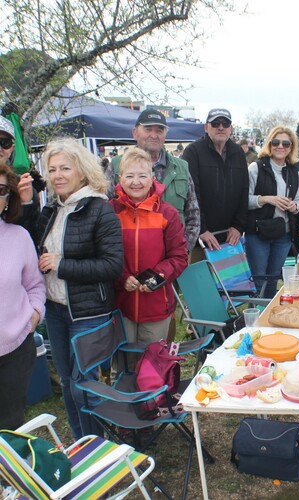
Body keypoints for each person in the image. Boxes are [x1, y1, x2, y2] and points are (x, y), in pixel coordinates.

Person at [36, 137, 123, 439]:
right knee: (68, 382)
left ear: (82, 171)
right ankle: (80, 446)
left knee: (84, 385)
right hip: (56, 310)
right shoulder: (52, 209)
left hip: (89, 314)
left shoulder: (100, 210)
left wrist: (61, 265)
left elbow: (112, 266)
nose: (57, 175)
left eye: (65, 168)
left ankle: (97, 451)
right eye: (52, 169)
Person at [110, 147, 188, 365]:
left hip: (155, 306)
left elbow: (179, 257)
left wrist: (155, 278)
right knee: (123, 364)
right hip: (121, 305)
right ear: (120, 178)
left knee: (153, 363)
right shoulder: (110, 212)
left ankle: (155, 399)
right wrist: (122, 278)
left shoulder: (166, 213)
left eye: (142, 175)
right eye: (130, 175)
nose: (136, 182)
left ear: (152, 178)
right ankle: (124, 399)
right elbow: (104, 256)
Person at [108, 109, 200, 253]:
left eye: (159, 130)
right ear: (134, 132)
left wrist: (182, 250)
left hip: (175, 260)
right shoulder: (116, 165)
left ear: (165, 135)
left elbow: (193, 215)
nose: (153, 135)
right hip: (129, 259)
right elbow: (103, 212)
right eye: (148, 129)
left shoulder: (181, 167)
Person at [0, 161, 46, 430]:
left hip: (15, 351)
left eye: (2, 190)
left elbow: (35, 285)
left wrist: (35, 314)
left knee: (9, 427)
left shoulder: (19, 237)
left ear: (9, 199)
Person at [183, 108, 248, 259]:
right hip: (202, 240)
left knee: (231, 281)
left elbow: (244, 191)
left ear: (231, 128)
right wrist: (202, 229)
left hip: (230, 238)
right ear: (206, 127)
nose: (220, 127)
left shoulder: (238, 152)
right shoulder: (193, 151)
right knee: (201, 282)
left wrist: (238, 226)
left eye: (225, 124)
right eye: (215, 123)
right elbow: (192, 194)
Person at [245, 126, 299, 298]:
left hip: (283, 234)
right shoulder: (256, 168)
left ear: (291, 147)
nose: (280, 146)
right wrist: (266, 199)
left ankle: (269, 320)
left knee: (273, 280)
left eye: (286, 143)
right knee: (259, 281)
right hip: (258, 233)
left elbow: (298, 201)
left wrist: (294, 207)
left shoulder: (294, 172)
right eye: (276, 142)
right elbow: (243, 201)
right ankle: (256, 320)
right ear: (269, 144)